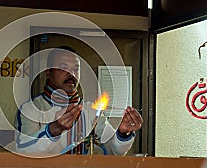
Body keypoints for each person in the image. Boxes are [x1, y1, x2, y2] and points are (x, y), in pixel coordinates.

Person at [15, 46, 143, 155]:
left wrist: (123, 133)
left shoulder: (90, 110)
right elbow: (23, 150)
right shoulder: (30, 108)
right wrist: (53, 130)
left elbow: (112, 151)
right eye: (63, 67)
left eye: (76, 69)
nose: (71, 73)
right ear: (48, 71)